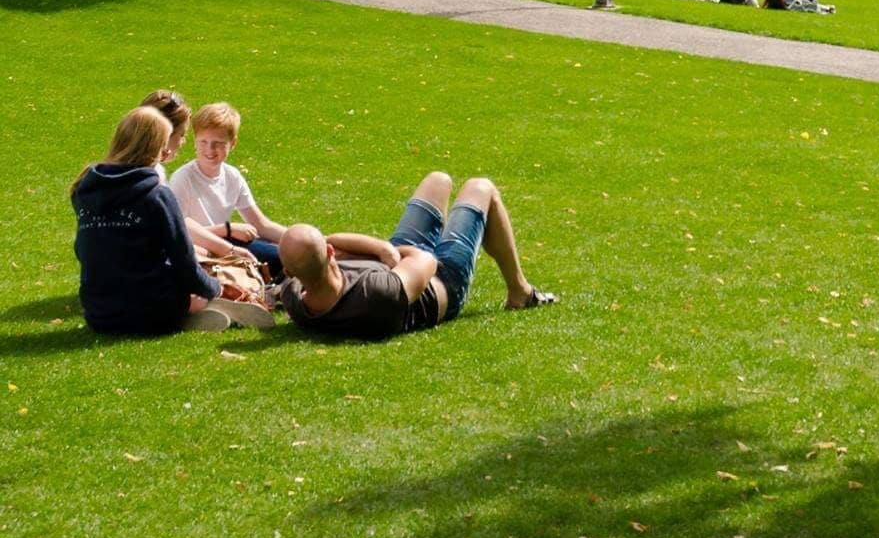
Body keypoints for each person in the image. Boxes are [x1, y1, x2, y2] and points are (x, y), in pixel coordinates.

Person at [277, 169, 554, 341]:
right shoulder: (375, 293)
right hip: (442, 279)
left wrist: (382, 251)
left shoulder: (295, 295)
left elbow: (324, 254)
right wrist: (387, 251)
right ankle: (519, 291)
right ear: (329, 254)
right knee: (481, 188)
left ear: (289, 271)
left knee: (438, 181)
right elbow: (427, 261)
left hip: (401, 265)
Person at [71, 107, 262, 336]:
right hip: (149, 308)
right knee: (197, 290)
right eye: (165, 145)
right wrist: (217, 289)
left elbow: (85, 249)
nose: (168, 151)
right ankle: (197, 309)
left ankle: (190, 313)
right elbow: (185, 264)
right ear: (157, 150)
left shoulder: (84, 189)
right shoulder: (157, 196)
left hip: (97, 313)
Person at [168, 101, 291, 281]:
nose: (210, 150)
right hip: (200, 249)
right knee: (278, 259)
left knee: (287, 252)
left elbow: (261, 224)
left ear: (232, 143)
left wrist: (303, 241)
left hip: (225, 241)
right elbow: (180, 231)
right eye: (203, 142)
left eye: (218, 143)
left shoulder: (232, 176)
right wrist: (227, 229)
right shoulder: (183, 178)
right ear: (195, 141)